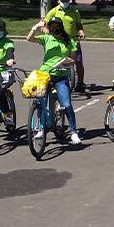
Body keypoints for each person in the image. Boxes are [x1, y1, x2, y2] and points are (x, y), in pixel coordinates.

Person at [26, 17, 81, 145]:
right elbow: (29, 39)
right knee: (40, 101)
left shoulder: (69, 41)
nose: (54, 28)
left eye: (56, 26)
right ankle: (40, 128)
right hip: (44, 74)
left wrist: (66, 63)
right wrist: (36, 26)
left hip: (61, 75)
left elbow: (73, 59)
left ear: (61, 27)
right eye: (52, 26)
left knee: (66, 104)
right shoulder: (47, 38)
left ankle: (73, 131)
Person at [44, 0, 87, 92]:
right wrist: (47, 31)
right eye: (62, 0)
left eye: (66, 0)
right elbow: (45, 23)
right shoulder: (54, 11)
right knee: (56, 61)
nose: (64, 2)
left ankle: (80, 83)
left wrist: (81, 32)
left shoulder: (74, 11)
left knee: (78, 61)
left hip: (73, 39)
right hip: (60, 40)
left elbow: (78, 25)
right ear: (59, 1)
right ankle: (56, 80)